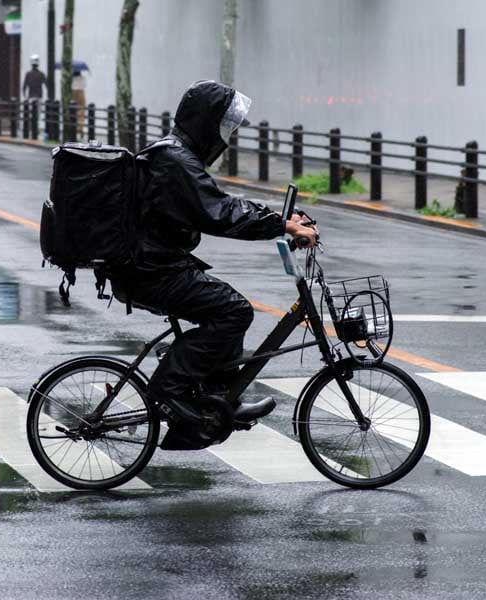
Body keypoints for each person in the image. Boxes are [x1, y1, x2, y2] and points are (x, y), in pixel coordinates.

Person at [112, 80, 317, 449]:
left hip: (155, 265)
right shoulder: (174, 160)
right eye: (223, 126)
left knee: (227, 310)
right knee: (234, 311)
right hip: (150, 271)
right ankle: (169, 388)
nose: (227, 137)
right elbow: (219, 213)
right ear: (205, 122)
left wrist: (279, 217)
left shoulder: (177, 155)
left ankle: (218, 400)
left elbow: (217, 200)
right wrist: (279, 224)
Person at [71, 68, 87, 139]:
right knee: (81, 113)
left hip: (74, 94)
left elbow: (71, 86)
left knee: (74, 113)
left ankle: (75, 130)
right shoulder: (82, 78)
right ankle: (80, 130)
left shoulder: (72, 79)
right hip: (81, 94)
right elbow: (84, 85)